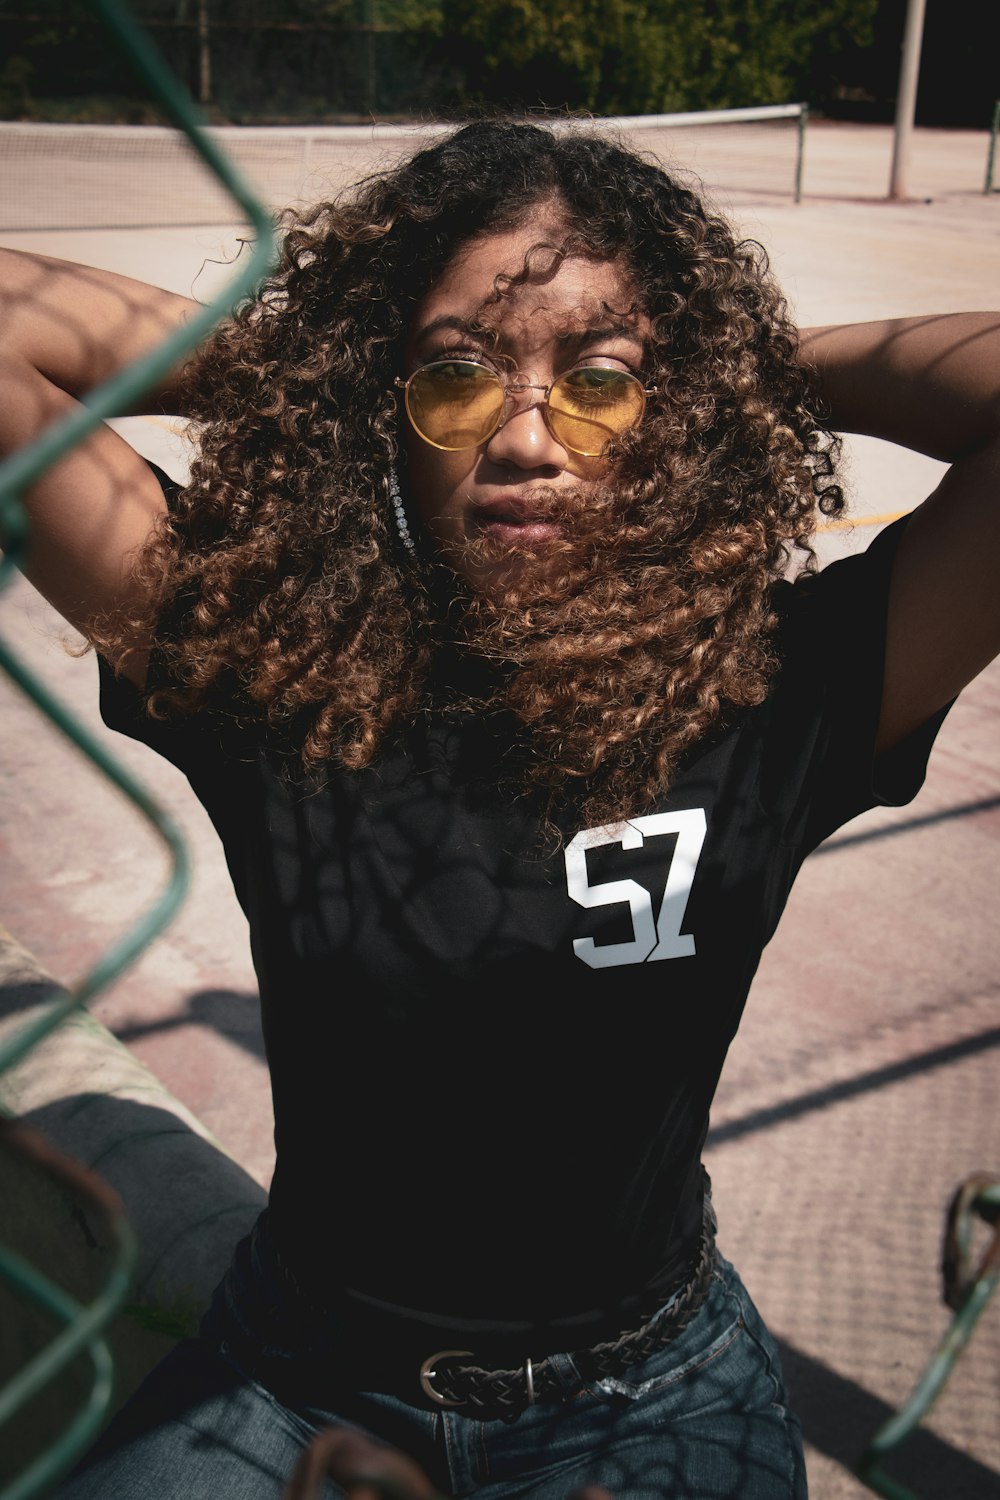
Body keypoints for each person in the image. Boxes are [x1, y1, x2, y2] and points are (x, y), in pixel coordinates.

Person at [2, 119, 998, 1500]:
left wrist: (734, 372)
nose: (528, 436)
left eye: (601, 382)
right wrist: (323, 370)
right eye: (458, 380)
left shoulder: (777, 690)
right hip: (299, 1370)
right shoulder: (276, 670)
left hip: (650, 1398)